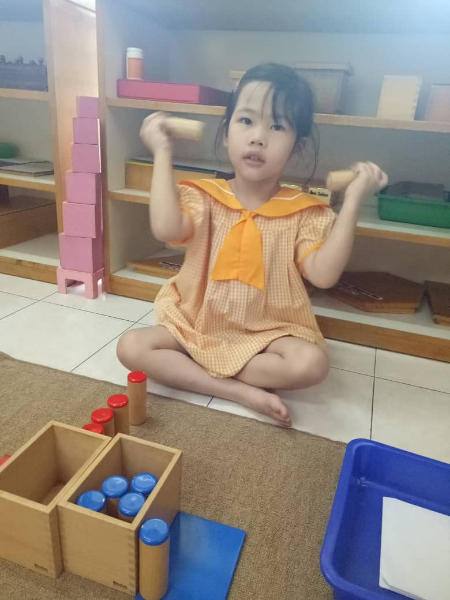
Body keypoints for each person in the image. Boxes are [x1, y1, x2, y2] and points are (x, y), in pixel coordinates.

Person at [117, 63, 387, 427]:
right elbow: (165, 228)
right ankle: (237, 391)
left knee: (312, 364)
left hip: (267, 332)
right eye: (246, 121)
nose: (258, 137)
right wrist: (162, 152)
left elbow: (323, 276)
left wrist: (352, 200)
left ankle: (200, 369)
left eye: (277, 127)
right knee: (130, 346)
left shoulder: (304, 212)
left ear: (297, 148)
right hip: (197, 322)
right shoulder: (204, 195)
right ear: (226, 133)